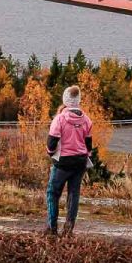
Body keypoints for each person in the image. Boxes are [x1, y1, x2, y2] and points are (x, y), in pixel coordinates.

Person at [46, 84, 93, 237]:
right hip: (80, 162)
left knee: (53, 193)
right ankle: (68, 230)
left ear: (65, 100)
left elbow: (52, 142)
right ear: (78, 100)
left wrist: (51, 153)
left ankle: (52, 229)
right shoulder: (86, 120)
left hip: (63, 162)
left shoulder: (59, 119)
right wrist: (86, 155)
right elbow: (88, 144)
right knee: (73, 194)